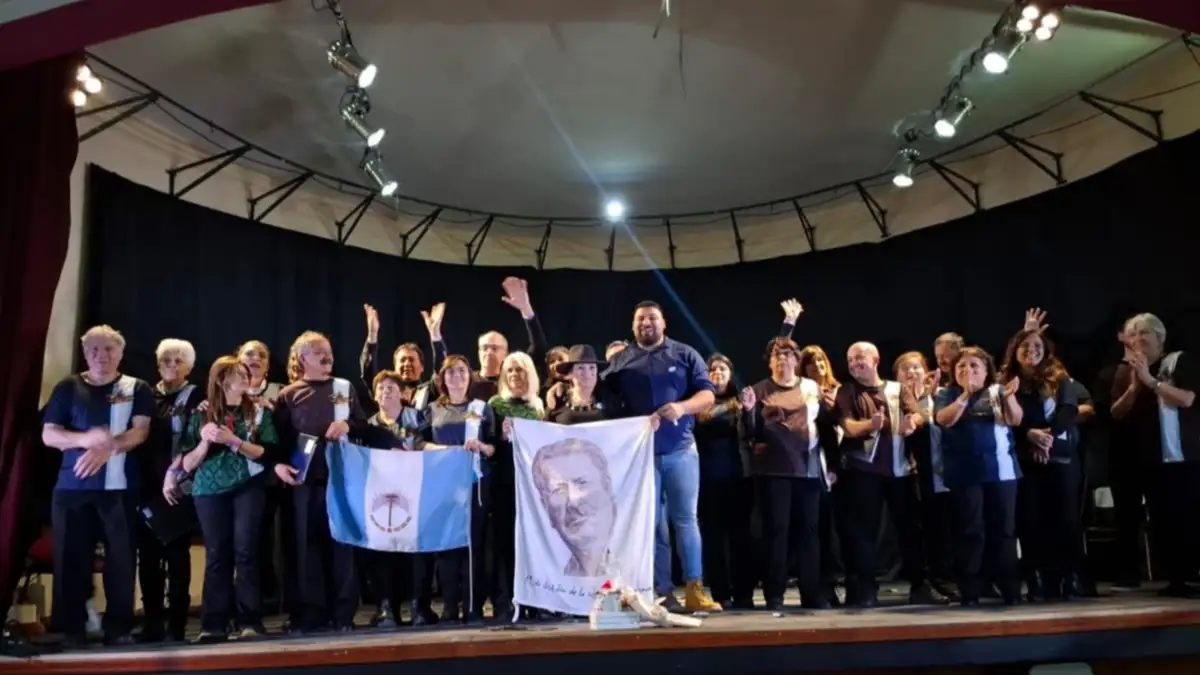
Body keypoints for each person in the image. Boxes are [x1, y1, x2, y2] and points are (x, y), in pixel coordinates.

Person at [270, 331, 407, 633]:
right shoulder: (289, 395)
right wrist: (278, 465)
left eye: (329, 350)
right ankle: (310, 615)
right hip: (305, 485)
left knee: (342, 548)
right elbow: (278, 441)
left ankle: (343, 614)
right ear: (302, 358)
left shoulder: (344, 388)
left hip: (343, 480)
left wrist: (347, 424)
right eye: (319, 351)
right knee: (306, 550)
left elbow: (363, 426)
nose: (327, 356)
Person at [603, 301, 721, 612]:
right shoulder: (620, 361)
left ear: (663, 322)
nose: (646, 323)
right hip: (641, 457)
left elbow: (708, 394)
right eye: (640, 318)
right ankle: (663, 592)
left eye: (652, 318)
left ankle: (695, 589)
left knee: (686, 520)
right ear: (633, 325)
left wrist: (682, 407)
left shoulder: (685, 353)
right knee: (653, 526)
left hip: (681, 450)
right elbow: (602, 399)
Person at [42, 325, 154, 648]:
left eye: (108, 349)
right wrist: (86, 439)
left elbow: (141, 431)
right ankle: (72, 630)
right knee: (71, 559)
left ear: (120, 353)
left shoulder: (136, 387)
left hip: (119, 489)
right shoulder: (68, 387)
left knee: (121, 560)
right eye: (94, 349)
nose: (101, 356)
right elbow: (49, 434)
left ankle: (118, 629)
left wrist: (109, 446)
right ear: (85, 354)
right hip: (72, 490)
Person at [171, 356, 276, 642]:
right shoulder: (201, 414)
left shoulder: (257, 411)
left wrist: (233, 440)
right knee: (217, 553)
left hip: (247, 485)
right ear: (221, 379)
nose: (245, 376)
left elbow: (266, 452)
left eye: (246, 373)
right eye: (238, 373)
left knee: (246, 550)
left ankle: (250, 621)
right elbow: (187, 464)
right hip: (209, 489)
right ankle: (214, 623)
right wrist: (205, 441)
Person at [833, 342, 943, 608]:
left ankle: (919, 585)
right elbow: (847, 425)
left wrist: (912, 423)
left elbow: (916, 414)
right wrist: (869, 425)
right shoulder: (846, 391)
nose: (854, 363)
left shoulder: (896, 389)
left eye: (860, 357)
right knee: (863, 532)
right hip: (863, 473)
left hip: (899, 471)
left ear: (876, 360)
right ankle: (864, 588)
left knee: (910, 530)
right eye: (850, 359)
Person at [1108, 313, 1200, 598]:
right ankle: (1177, 578)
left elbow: (1187, 399)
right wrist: (1135, 386)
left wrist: (1151, 381)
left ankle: (1191, 576)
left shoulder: (1177, 361)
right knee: (1162, 520)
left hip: (1183, 455)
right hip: (1149, 458)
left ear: (1159, 337)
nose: (1138, 339)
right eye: (1133, 335)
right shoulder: (1128, 370)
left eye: (1144, 333)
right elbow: (1115, 413)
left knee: (1186, 517)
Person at [1000, 326, 1090, 601]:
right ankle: (1036, 580)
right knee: (1030, 520)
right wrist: (1030, 435)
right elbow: (1005, 419)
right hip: (1025, 459)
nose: (1032, 350)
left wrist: (1046, 438)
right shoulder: (1005, 381)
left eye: (1037, 346)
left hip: (1061, 456)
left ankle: (1069, 578)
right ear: (1015, 351)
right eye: (1025, 346)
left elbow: (1069, 409)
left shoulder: (1060, 377)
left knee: (1066, 519)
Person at [741, 337, 829, 610]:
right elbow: (750, 433)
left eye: (788, 354)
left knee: (809, 532)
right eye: (776, 356)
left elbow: (825, 425)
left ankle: (811, 593)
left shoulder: (811, 387)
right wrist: (748, 411)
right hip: (773, 470)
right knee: (776, 532)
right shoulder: (759, 389)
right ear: (769, 362)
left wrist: (833, 467)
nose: (782, 359)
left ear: (796, 360)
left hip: (808, 468)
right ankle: (775, 594)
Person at [413, 354, 499, 624]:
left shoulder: (482, 408)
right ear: (442, 378)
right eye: (450, 371)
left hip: (475, 484)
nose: (456, 376)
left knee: (474, 545)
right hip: (443, 485)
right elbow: (417, 442)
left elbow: (494, 447)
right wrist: (443, 450)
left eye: (462, 370)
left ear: (470, 376)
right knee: (447, 545)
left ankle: (473, 607)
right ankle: (449, 607)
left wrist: (481, 446)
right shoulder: (432, 410)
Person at [934, 347, 1024, 606]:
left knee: (1004, 531)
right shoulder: (946, 394)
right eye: (962, 366)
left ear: (986, 370)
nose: (968, 370)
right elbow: (944, 419)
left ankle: (1010, 590)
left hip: (1001, 472)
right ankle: (970, 592)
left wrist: (1010, 397)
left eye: (975, 365)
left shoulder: (998, 391)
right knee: (970, 531)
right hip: (964, 474)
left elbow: (1015, 420)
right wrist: (965, 394)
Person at [138, 338, 201, 642]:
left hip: (179, 485)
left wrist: (176, 474)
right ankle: (151, 623)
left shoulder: (196, 396)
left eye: (178, 361)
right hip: (145, 486)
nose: (171, 366)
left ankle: (177, 626)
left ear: (189, 368)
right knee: (148, 557)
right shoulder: (144, 395)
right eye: (166, 360)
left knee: (177, 556)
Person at [892, 351, 957, 602]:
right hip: (905, 474)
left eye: (916, 367)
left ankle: (943, 579)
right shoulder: (893, 399)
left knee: (940, 528)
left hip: (938, 473)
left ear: (926, 371)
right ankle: (919, 584)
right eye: (905, 369)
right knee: (912, 531)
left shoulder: (939, 397)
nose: (911, 373)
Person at [694, 354, 756, 610]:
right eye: (712, 369)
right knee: (713, 538)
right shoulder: (698, 401)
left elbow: (753, 433)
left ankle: (744, 593)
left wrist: (749, 411)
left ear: (730, 374)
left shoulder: (742, 401)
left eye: (722, 368)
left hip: (738, 476)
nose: (717, 373)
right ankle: (720, 592)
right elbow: (698, 427)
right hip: (707, 477)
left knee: (742, 536)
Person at [364, 371, 423, 628]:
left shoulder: (417, 419)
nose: (386, 391)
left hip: (414, 493)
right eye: (381, 388)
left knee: (415, 551)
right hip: (380, 498)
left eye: (391, 387)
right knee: (382, 553)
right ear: (374, 396)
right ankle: (387, 607)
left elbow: (427, 444)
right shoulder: (368, 425)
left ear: (404, 393)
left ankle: (419, 606)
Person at [488, 351, 544, 619]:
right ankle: (507, 599)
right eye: (509, 370)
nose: (514, 375)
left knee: (533, 541)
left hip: (533, 485)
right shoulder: (495, 404)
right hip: (505, 481)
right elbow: (489, 444)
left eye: (519, 369)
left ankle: (535, 599)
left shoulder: (538, 406)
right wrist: (501, 435)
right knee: (506, 541)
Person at [531, 438, 617, 577]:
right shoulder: (549, 580)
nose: (573, 501)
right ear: (545, 506)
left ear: (606, 486)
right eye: (558, 491)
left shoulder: (634, 564)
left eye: (582, 483)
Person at [469, 278, 550, 401]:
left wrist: (526, 308)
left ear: (506, 354)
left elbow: (539, 348)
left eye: (495, 348)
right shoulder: (467, 380)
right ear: (478, 352)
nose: (489, 352)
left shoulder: (513, 378)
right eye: (485, 348)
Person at [360, 303, 448, 411]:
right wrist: (372, 335)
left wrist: (435, 335)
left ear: (422, 367)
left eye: (411, 359)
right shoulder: (385, 391)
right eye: (402, 360)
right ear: (395, 367)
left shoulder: (430, 391)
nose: (407, 364)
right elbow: (368, 373)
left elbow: (442, 371)